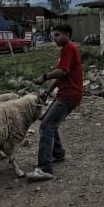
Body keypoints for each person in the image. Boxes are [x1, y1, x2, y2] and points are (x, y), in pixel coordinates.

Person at [27, 24, 83, 181]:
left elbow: (62, 72)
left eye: (57, 35)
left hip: (69, 95)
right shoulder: (65, 50)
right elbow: (62, 76)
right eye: (54, 35)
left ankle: (45, 168)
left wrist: (44, 77)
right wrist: (47, 92)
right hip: (66, 93)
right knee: (47, 121)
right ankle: (57, 153)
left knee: (46, 127)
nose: (54, 38)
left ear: (66, 35)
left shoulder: (70, 49)